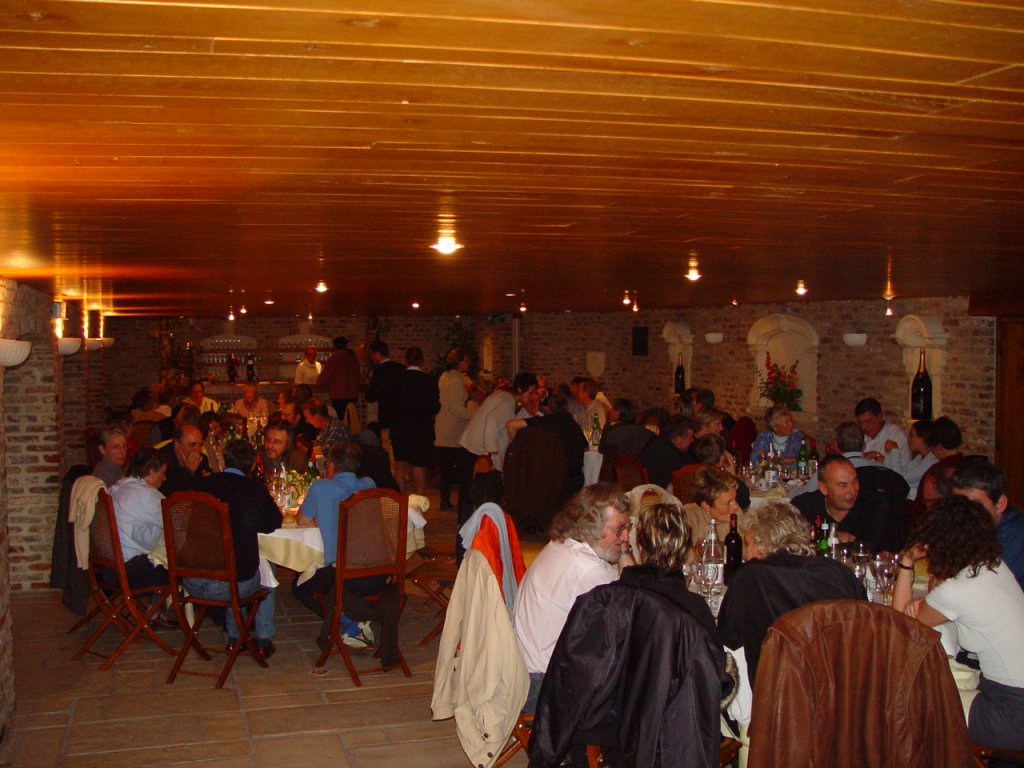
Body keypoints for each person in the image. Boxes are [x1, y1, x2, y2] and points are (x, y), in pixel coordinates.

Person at [530, 501, 730, 768]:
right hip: (660, 740)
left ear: (640, 547)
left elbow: (574, 670)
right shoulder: (692, 612)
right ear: (686, 550)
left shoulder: (606, 598)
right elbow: (713, 683)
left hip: (602, 729)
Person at [893, 495, 1024, 750]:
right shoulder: (991, 566)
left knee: (909, 698)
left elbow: (901, 626)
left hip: (1011, 713)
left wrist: (906, 561)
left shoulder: (957, 590)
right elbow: (940, 590)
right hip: (1008, 693)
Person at [512, 483, 633, 712]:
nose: (626, 536)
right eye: (619, 529)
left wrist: (623, 548)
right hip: (542, 685)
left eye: (628, 527)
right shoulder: (587, 570)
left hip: (522, 671)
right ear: (592, 528)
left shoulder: (561, 545)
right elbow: (632, 605)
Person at [717, 501, 866, 686]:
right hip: (842, 686)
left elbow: (728, 638)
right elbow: (865, 628)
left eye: (747, 544)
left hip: (778, 690)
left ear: (762, 545)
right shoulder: (839, 572)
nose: (745, 555)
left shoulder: (751, 576)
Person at [294, 441, 402, 666]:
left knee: (299, 586)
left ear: (331, 465)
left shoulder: (321, 487)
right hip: (381, 573)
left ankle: (350, 622)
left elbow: (301, 520)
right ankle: (358, 620)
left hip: (347, 577)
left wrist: (319, 516)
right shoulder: (370, 484)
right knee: (329, 578)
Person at [191, 439, 282, 659]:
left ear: (223, 462)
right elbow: (273, 522)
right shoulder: (252, 490)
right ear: (252, 465)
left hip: (192, 579)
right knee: (264, 566)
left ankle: (235, 638)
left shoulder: (200, 486)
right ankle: (262, 639)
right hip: (230, 585)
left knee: (234, 561)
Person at [457, 372, 538, 520]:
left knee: (468, 491)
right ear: (520, 389)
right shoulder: (507, 401)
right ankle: (468, 525)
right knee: (477, 493)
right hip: (478, 449)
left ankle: (464, 524)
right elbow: (492, 421)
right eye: (531, 391)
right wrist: (492, 451)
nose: (532, 396)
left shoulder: (503, 396)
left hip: (471, 444)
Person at [792, 454, 899, 552]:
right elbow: (789, 540)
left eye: (854, 481)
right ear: (824, 488)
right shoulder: (804, 505)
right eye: (843, 485)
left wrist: (822, 539)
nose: (852, 491)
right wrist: (832, 536)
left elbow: (865, 549)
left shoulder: (873, 505)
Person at [952, 460, 1024, 591]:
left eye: (976, 505)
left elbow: (982, 587)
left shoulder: (1014, 537)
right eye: (959, 504)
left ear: (1000, 504)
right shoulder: (977, 527)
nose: (964, 512)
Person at [107, 448, 170, 588]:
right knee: (185, 567)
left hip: (108, 567)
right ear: (152, 473)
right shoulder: (149, 496)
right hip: (130, 570)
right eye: (163, 473)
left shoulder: (115, 488)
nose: (164, 478)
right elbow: (178, 525)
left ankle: (159, 600)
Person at [391, 347, 440, 496]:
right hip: (422, 429)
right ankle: (418, 504)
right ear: (422, 361)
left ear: (406, 360)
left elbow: (391, 404)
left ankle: (401, 502)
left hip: (400, 428)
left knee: (400, 465)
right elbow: (435, 407)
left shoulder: (397, 379)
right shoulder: (429, 380)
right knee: (419, 467)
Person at [434, 347, 476, 511]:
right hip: (454, 429)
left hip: (444, 427)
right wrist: (474, 415)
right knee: (463, 467)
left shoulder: (445, 376)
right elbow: (456, 408)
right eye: (466, 360)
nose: (468, 363)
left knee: (447, 468)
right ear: (459, 363)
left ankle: (444, 500)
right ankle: (461, 501)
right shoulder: (456, 381)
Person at [681, 465, 741, 559]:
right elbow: (677, 553)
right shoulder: (689, 516)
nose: (736, 506)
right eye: (728, 503)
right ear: (706, 506)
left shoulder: (735, 514)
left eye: (735, 499)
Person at [364, 340, 406, 459]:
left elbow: (371, 396)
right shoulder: (401, 368)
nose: (372, 358)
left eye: (372, 354)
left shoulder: (379, 371)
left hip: (387, 417)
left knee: (389, 450)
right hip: (402, 417)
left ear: (377, 354)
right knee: (402, 454)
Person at [692, 434, 750, 510]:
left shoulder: (693, 472)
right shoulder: (716, 478)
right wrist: (732, 476)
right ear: (722, 457)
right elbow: (744, 504)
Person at [855, 397, 910, 476]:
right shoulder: (860, 435)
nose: (864, 427)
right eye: (860, 423)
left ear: (880, 417)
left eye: (868, 421)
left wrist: (876, 456)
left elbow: (902, 473)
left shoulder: (897, 436)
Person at [638, 414, 695, 489]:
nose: (693, 440)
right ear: (677, 439)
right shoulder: (670, 456)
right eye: (690, 438)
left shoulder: (656, 441)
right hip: (660, 492)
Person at [158, 423, 210, 496]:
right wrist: (188, 471)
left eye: (200, 445)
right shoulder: (161, 460)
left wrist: (208, 480)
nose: (197, 450)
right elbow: (167, 494)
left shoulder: (202, 459)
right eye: (192, 445)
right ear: (177, 444)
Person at [316, 337, 361, 417]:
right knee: (351, 419)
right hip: (353, 396)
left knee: (340, 419)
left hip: (338, 396)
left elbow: (323, 379)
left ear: (335, 346)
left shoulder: (334, 359)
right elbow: (358, 377)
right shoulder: (353, 359)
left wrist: (320, 384)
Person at [901, 419, 939, 499]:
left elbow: (902, 477)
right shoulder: (919, 458)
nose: (909, 439)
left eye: (912, 435)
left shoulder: (931, 461)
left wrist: (894, 451)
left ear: (922, 438)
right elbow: (904, 470)